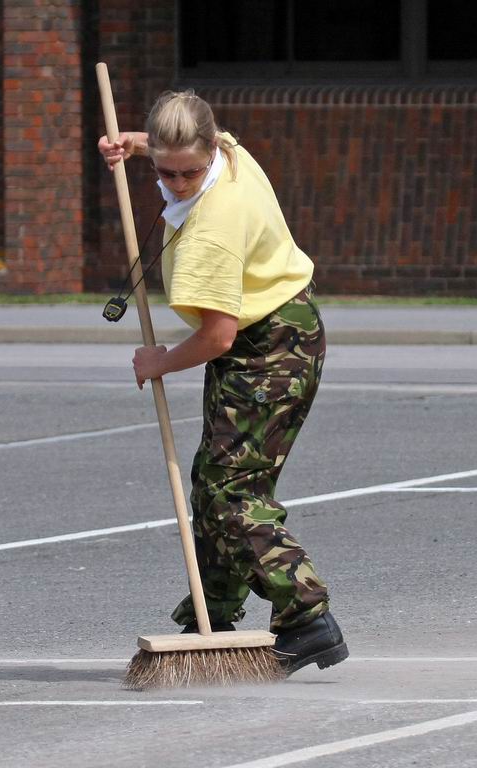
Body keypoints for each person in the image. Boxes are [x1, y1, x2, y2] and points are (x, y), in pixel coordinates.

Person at [98, 90, 347, 675]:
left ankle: (308, 618)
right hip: (272, 336)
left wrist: (158, 363)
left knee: (230, 491)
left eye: (189, 172)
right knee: (213, 482)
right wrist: (133, 144)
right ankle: (210, 618)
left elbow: (217, 337)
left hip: (271, 349)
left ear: (210, 152)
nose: (178, 183)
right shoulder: (231, 152)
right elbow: (177, 146)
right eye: (165, 171)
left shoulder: (211, 229)